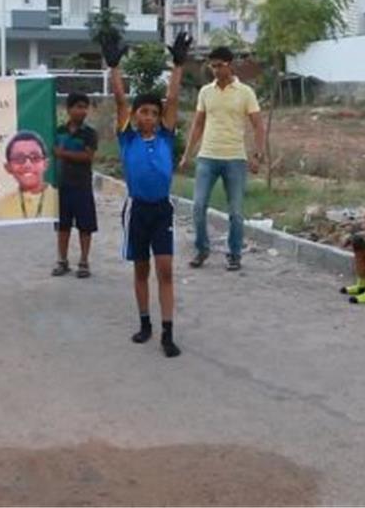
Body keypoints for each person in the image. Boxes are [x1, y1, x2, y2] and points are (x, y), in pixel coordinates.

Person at [101, 31, 192, 358]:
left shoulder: (166, 137)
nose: (149, 117)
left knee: (165, 270)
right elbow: (121, 100)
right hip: (137, 210)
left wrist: (178, 65)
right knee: (141, 270)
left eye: (154, 113)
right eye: (144, 113)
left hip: (161, 210)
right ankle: (145, 323)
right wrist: (114, 67)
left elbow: (174, 99)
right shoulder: (127, 138)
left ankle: (168, 332)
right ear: (135, 117)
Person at [179, 46, 266, 272]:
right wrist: (187, 154)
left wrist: (258, 154)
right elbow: (198, 124)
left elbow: (258, 125)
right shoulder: (206, 92)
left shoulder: (245, 92)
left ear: (230, 64)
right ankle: (201, 249)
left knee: (236, 212)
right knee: (198, 206)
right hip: (207, 157)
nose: (215, 70)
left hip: (235, 159)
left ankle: (234, 254)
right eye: (212, 65)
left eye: (219, 65)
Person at [51, 92, 98, 279]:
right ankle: (62, 261)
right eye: (78, 107)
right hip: (62, 185)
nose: (82, 111)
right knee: (63, 226)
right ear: (68, 109)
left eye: (85, 107)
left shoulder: (89, 133)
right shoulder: (58, 131)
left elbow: (88, 157)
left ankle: (84, 262)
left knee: (85, 226)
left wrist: (62, 154)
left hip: (82, 185)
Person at [0, 131, 58, 220]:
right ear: (8, 168)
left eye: (35, 157)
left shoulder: (64, 200)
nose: (27, 165)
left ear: (46, 164)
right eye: (19, 159)